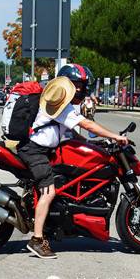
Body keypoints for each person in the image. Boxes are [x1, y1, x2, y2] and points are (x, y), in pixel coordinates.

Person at [17, 73, 128, 260]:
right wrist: (115, 136)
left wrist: (90, 144)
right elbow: (88, 124)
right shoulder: (61, 109)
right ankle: (37, 239)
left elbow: (72, 132)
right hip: (35, 152)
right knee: (48, 192)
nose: (79, 89)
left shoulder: (56, 106)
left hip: (43, 150)